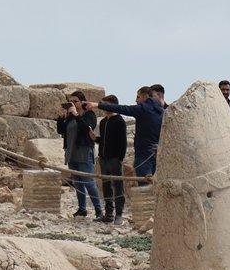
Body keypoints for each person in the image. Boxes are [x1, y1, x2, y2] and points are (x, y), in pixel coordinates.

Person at [95, 86, 164, 178]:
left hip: (143, 155)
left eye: (138, 97)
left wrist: (98, 105)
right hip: (156, 154)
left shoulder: (144, 109)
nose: (136, 100)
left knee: (143, 183)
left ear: (145, 96)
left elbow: (124, 109)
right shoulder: (161, 111)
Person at [56, 91, 103, 219]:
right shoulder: (70, 116)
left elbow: (85, 128)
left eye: (75, 101)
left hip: (84, 151)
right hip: (71, 152)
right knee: (77, 182)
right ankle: (82, 209)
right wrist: (60, 118)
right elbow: (61, 130)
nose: (73, 104)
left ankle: (98, 210)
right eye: (70, 101)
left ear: (82, 102)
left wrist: (76, 114)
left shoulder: (89, 115)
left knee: (88, 182)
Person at [95, 95, 127, 224]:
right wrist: (96, 139)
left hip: (114, 159)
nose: (103, 107)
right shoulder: (103, 122)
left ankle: (119, 214)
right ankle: (108, 214)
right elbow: (103, 140)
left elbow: (123, 142)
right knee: (106, 187)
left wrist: (119, 158)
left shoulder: (119, 121)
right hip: (103, 159)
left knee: (118, 186)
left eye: (106, 104)